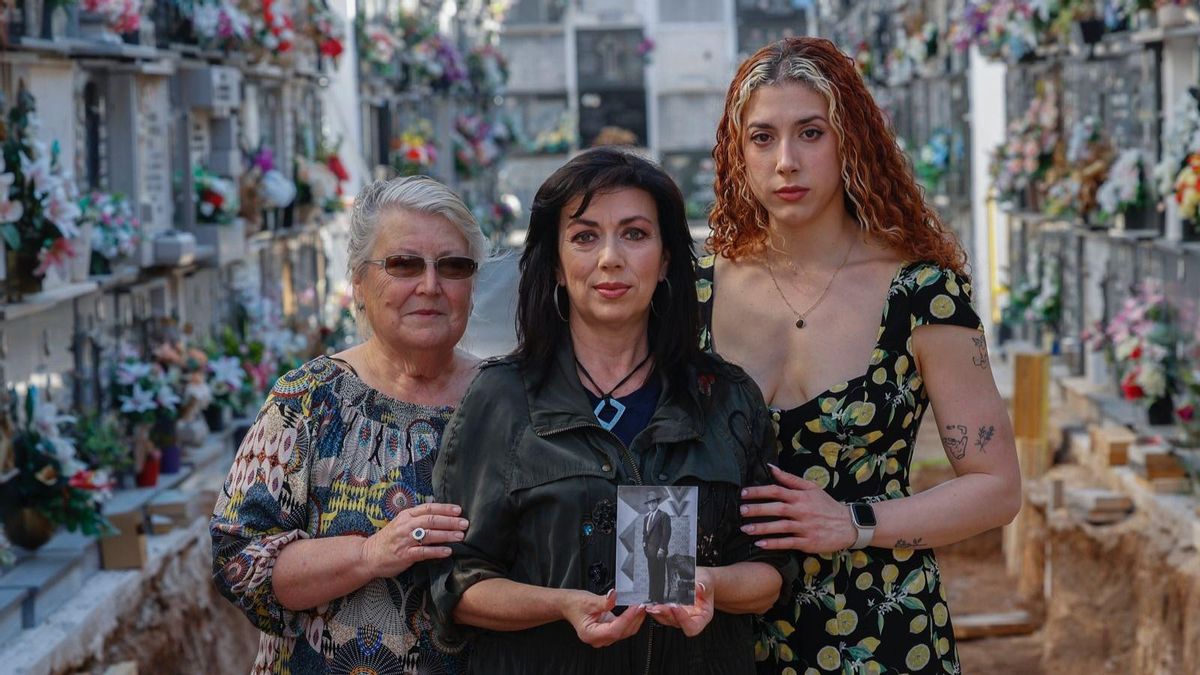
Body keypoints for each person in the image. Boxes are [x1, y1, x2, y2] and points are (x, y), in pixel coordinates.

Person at [699, 37, 1022, 673]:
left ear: (851, 140)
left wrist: (854, 521)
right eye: (762, 137)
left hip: (881, 630)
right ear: (738, 151)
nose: (785, 161)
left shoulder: (922, 293)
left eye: (810, 133)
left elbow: (997, 487)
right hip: (719, 626)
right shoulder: (693, 292)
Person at [429, 147, 794, 674]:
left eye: (635, 234)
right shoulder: (502, 398)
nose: (610, 258)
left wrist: (707, 583)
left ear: (667, 257)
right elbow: (456, 584)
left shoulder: (725, 398)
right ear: (556, 264)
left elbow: (770, 575)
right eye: (584, 236)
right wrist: (562, 604)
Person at [210, 176, 488, 674]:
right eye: (403, 264)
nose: (430, 285)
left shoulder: (509, 400)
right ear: (359, 282)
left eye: (453, 266)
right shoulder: (307, 401)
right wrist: (371, 554)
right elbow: (240, 563)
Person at [642, 493, 671, 603]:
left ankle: (659, 599)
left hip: (659, 551)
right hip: (649, 552)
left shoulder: (663, 516)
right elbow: (644, 534)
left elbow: (666, 534)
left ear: (657, 503)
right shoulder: (646, 517)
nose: (651, 504)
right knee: (652, 574)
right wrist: (644, 547)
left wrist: (662, 549)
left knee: (659, 574)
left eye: (653, 502)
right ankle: (652, 597)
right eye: (649, 503)